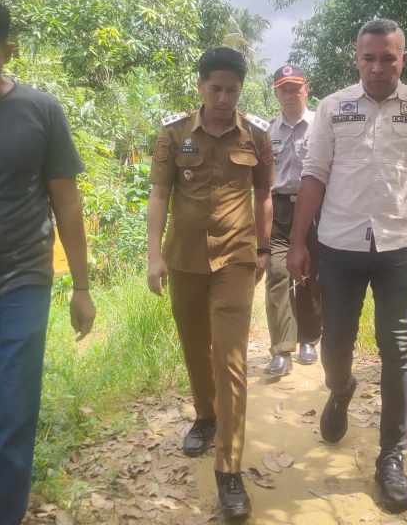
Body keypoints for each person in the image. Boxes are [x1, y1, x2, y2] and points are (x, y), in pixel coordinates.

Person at [288, 18, 407, 514]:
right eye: (369, 58)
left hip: (400, 245)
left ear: (404, 57)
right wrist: (299, 241)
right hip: (339, 245)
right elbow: (313, 176)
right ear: (356, 59)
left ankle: (391, 460)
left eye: (389, 57)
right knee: (335, 342)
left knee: (396, 347)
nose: (378, 67)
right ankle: (341, 390)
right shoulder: (332, 108)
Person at [0, 0, 96, 525]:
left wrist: (82, 287)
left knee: (10, 415)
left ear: (7, 51)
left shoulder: (41, 112)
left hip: (22, 280)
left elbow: (66, 200)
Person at [147, 46, 273, 521]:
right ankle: (204, 415)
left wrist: (264, 247)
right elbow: (160, 194)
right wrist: (154, 254)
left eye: (232, 90)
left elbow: (263, 194)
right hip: (184, 259)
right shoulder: (173, 134)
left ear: (241, 90)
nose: (223, 98)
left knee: (231, 359)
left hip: (237, 260)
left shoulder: (257, 136)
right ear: (200, 86)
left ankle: (229, 468)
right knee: (195, 346)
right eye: (215, 88)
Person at [263, 64, 324, 377]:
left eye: (295, 87)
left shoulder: (321, 125)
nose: (290, 94)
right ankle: (281, 349)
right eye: (283, 88)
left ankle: (308, 340)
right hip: (278, 210)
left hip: (315, 209)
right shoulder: (266, 131)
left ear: (306, 89)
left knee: (311, 275)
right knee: (277, 274)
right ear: (276, 92)